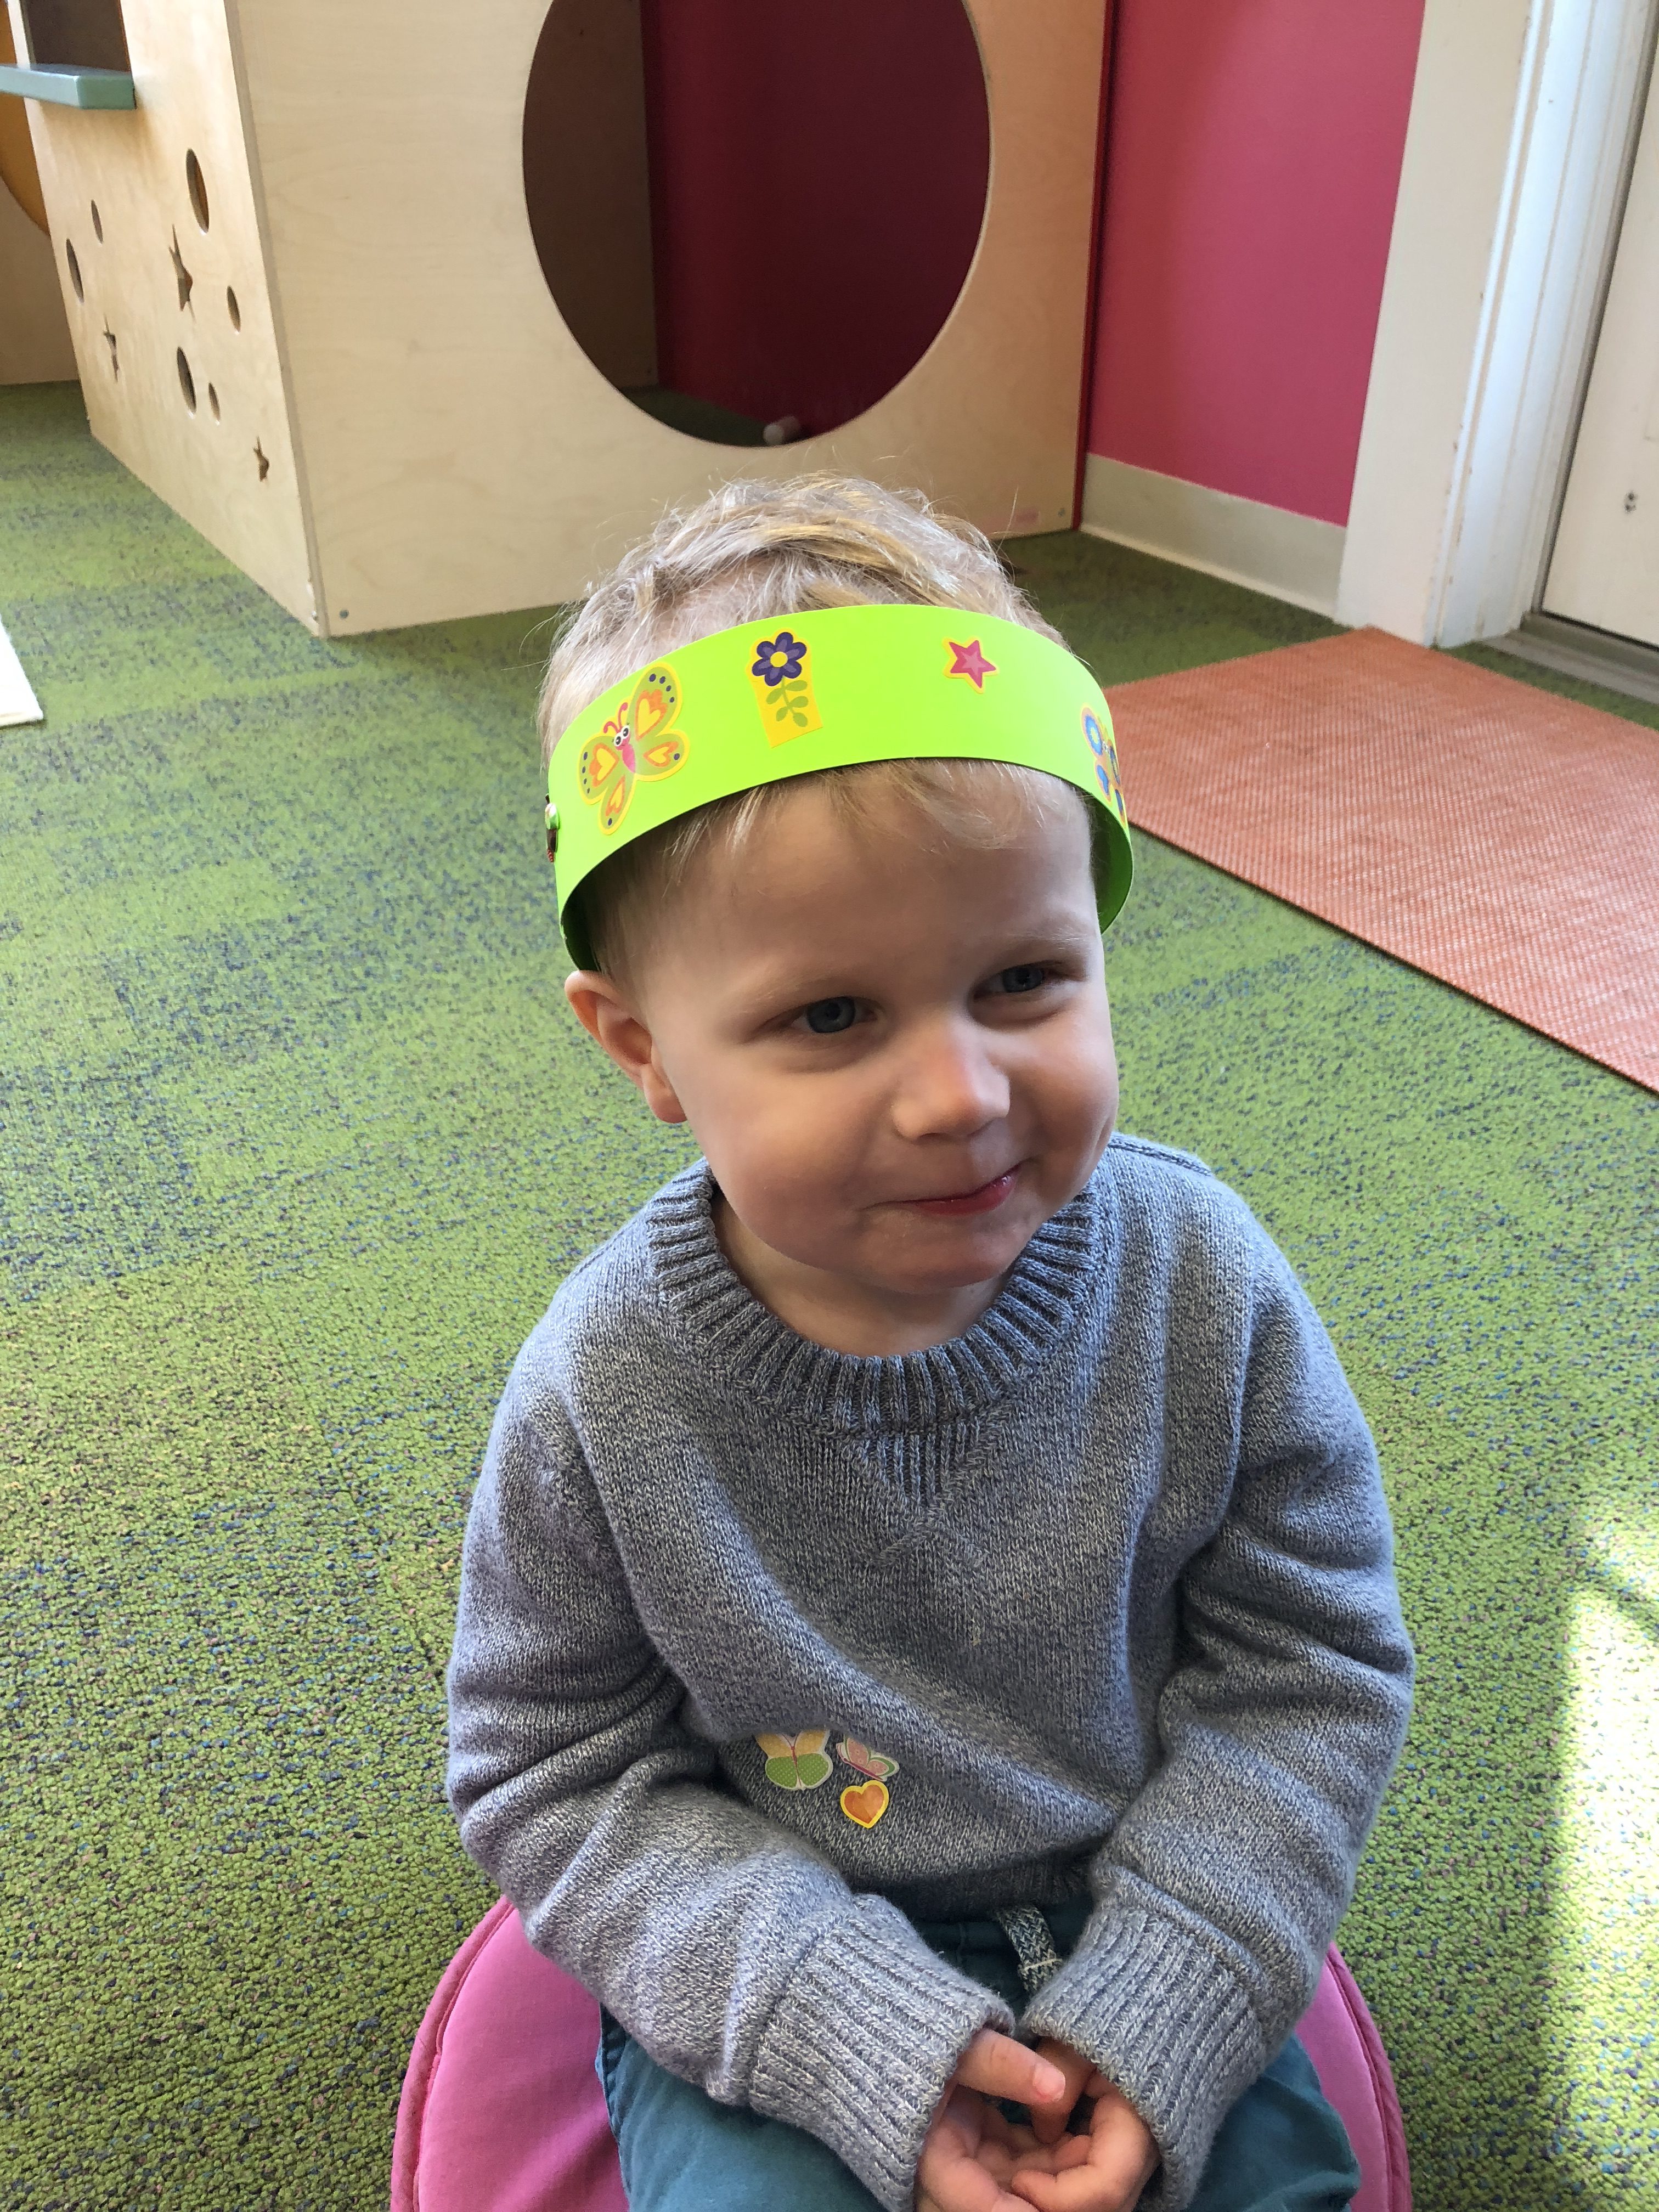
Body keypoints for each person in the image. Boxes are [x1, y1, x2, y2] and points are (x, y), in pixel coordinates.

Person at [446, 475, 1414, 2212]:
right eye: (831, 1014)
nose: (961, 1094)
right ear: (644, 1049)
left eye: (1025, 979)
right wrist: (833, 2013)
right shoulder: (606, 1385)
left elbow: (1309, 1667)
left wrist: (1168, 1990)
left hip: (1151, 1913)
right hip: (786, 1960)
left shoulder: (1204, 1281)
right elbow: (554, 1768)